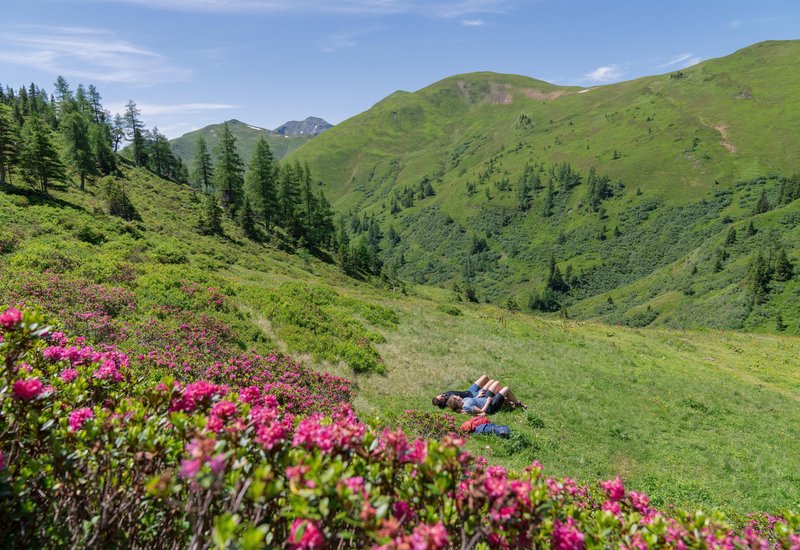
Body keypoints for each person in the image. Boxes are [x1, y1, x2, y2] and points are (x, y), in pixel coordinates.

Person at [446, 381, 525, 415]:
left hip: (485, 398)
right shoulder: (466, 407)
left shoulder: (464, 400)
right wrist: (487, 402)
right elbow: (481, 411)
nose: (459, 396)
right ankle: (517, 403)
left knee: (496, 383)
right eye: (457, 397)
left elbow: (473, 401)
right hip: (490, 406)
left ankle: (504, 403)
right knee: (506, 389)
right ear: (456, 401)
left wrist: (478, 396)